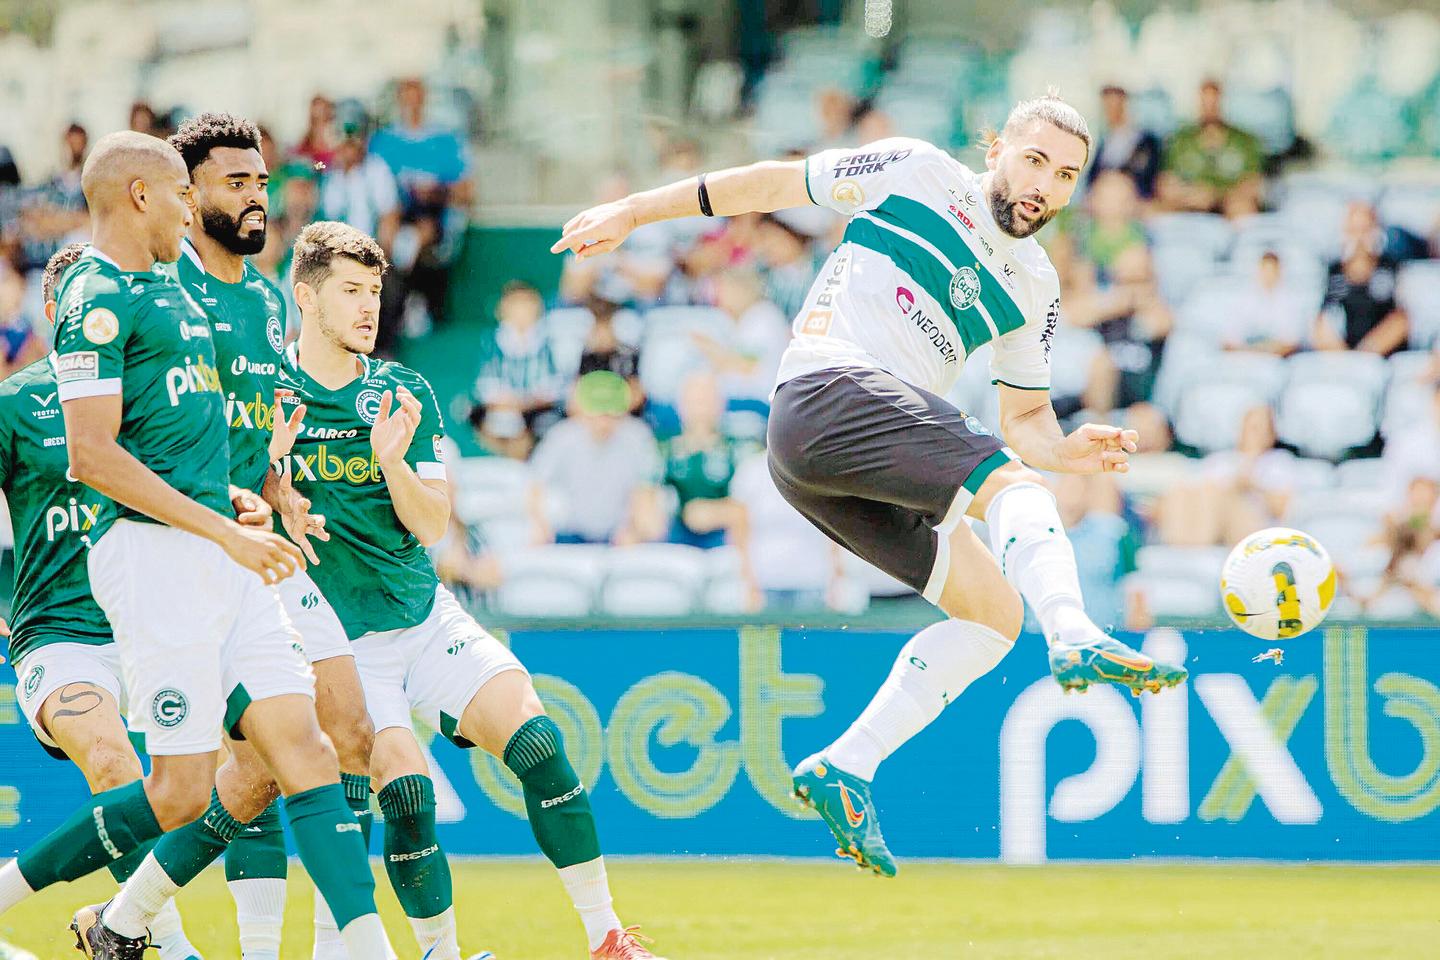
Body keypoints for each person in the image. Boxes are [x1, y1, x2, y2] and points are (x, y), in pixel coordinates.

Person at [552, 92, 1186, 878]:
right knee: (1008, 487)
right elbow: (769, 185)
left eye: (1064, 175)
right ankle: (1075, 633)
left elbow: (1026, 421)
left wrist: (1066, 450)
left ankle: (846, 765)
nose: (1044, 186)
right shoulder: (916, 171)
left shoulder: (1035, 284)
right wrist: (635, 211)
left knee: (992, 616)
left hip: (825, 467)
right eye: (1033, 160)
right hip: (828, 390)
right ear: (995, 148)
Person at [273, 221, 667, 960]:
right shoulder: (266, 394)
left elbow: (432, 524)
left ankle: (607, 935)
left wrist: (390, 462)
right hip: (340, 647)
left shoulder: (400, 389)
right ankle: (441, 953)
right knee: (407, 795)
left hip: (423, 617)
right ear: (305, 297)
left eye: (375, 292)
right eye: (350, 292)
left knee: (540, 741)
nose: (368, 308)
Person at [39, 130, 387, 958]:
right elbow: (114, 440)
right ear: (180, 196)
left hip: (249, 540)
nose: (254, 197)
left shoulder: (267, 303)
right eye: (233, 182)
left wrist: (276, 490)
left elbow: (245, 429)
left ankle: (120, 924)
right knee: (241, 766)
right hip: (181, 547)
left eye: (261, 180)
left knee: (316, 744)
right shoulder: (157, 283)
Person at [0, 243, 199, 960]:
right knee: (116, 765)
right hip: (61, 636)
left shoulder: (161, 397)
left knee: (236, 779)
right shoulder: (14, 404)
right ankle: (171, 951)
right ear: (55, 310)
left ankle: (110, 922)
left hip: (154, 625)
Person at [528, 371, 665, 546]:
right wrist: (540, 524)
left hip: (620, 534)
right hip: (570, 532)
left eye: (610, 415)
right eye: (597, 415)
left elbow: (646, 490)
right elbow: (535, 485)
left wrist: (635, 530)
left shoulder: (638, 438)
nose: (603, 423)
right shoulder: (562, 437)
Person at [1157, 79, 1263, 217]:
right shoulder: (1180, 140)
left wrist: (1216, 197)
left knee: (1243, 208)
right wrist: (1190, 195)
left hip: (1230, 206)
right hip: (1187, 204)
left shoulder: (1245, 141)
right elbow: (1166, 184)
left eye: (1214, 102)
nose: (1209, 108)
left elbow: (1253, 185)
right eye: (1205, 102)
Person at [1312, 245, 1409, 355]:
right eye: (1353, 231)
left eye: (1365, 231)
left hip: (1382, 356)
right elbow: (1320, 323)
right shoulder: (1334, 270)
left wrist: (1365, 354)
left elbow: (1400, 320)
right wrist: (1345, 358)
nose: (1359, 239)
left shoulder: (1390, 266)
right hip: (1341, 356)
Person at [1221, 251, 1308, 355]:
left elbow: (1291, 344)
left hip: (1278, 362)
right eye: (1265, 270)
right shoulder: (1242, 299)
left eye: (1272, 271)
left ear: (1279, 272)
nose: (1268, 275)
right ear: (1259, 271)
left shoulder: (1291, 302)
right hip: (1246, 360)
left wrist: (1264, 351)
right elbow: (1228, 341)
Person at [1086, 84, 1162, 200]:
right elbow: (1092, 179)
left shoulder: (1146, 141)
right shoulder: (1105, 142)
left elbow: (1148, 177)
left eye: (1115, 106)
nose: (1111, 113)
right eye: (1107, 107)